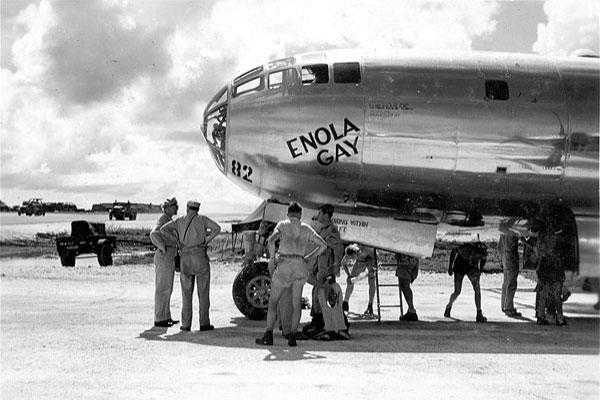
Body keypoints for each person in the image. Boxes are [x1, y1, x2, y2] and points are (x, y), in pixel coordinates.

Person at [256, 202, 327, 347]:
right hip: (299, 265)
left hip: (285, 264)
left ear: (288, 213)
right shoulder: (306, 228)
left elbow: (271, 240)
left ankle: (268, 335)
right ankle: (293, 335)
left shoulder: (283, 225)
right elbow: (323, 245)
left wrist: (273, 257)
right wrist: (309, 257)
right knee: (296, 304)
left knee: (273, 302)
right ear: (300, 214)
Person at [161, 200, 221, 332]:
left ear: (187, 208)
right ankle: (204, 323)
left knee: (186, 294)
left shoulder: (180, 220)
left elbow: (163, 229)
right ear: (197, 209)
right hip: (200, 257)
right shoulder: (203, 219)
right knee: (203, 293)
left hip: (185, 258)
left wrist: (177, 240)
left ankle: (186, 324)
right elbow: (217, 228)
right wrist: (206, 241)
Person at [303, 204, 348, 340]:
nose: (318, 215)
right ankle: (318, 323)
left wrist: (336, 265)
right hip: (320, 269)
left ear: (326, 215)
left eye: (320, 213)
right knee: (317, 295)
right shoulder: (323, 229)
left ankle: (337, 325)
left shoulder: (331, 231)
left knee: (327, 296)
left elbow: (338, 248)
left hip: (326, 269)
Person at [149, 197, 180, 327]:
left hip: (169, 256)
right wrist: (163, 248)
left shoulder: (167, 220)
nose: (176, 208)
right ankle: (159, 318)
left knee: (167, 288)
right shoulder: (163, 220)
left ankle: (166, 316)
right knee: (162, 288)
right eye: (173, 206)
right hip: (165, 256)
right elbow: (153, 234)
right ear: (166, 208)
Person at [444, 242, 488, 323]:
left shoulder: (482, 253)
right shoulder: (466, 249)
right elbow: (454, 251)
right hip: (460, 266)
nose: (479, 257)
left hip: (471, 267)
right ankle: (449, 305)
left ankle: (479, 313)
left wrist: (479, 271)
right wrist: (450, 266)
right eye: (478, 255)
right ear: (474, 251)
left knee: (477, 289)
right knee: (457, 291)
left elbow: (483, 262)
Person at [342, 244, 377, 316]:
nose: (351, 260)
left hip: (372, 258)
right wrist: (349, 275)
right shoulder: (349, 251)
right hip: (361, 260)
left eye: (352, 258)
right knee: (350, 280)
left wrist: (372, 270)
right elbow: (343, 263)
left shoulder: (365, 250)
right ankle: (345, 302)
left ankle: (370, 305)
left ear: (355, 253)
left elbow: (374, 259)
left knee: (371, 279)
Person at [498, 219, 522, 317]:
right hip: (511, 256)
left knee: (506, 282)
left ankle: (504, 304)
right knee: (511, 283)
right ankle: (509, 307)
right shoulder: (512, 233)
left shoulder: (502, 234)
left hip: (504, 256)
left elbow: (499, 247)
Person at [395, 253, 419, 321]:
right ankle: (411, 310)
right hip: (411, 258)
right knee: (404, 285)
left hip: (407, 259)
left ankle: (411, 310)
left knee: (404, 285)